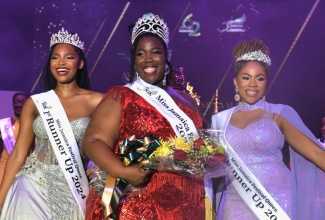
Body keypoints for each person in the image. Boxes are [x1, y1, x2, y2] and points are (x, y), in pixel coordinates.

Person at [81, 13, 207, 220]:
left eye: (155, 52)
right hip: (138, 205)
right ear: (134, 59)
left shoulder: (187, 100)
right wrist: (123, 171)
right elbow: (93, 141)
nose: (148, 58)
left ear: (165, 55)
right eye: (141, 54)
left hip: (186, 205)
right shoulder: (121, 95)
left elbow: (200, 146)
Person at [211, 39, 325, 219]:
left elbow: (317, 154)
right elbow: (213, 169)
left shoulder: (279, 113)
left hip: (276, 202)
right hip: (235, 200)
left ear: (267, 81)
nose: (253, 84)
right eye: (246, 77)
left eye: (260, 78)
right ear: (235, 81)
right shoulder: (219, 120)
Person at [0, 27, 103, 219]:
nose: (61, 63)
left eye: (69, 57)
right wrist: (0, 200)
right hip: (30, 186)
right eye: (55, 57)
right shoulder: (36, 103)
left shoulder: (98, 101)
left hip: (74, 189)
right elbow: (18, 155)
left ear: (80, 63)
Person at [0, 92, 27, 185]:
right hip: (4, 170)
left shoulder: (32, 126)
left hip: (24, 171)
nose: (19, 105)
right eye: (16, 102)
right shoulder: (5, 124)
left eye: (22, 102)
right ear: (12, 104)